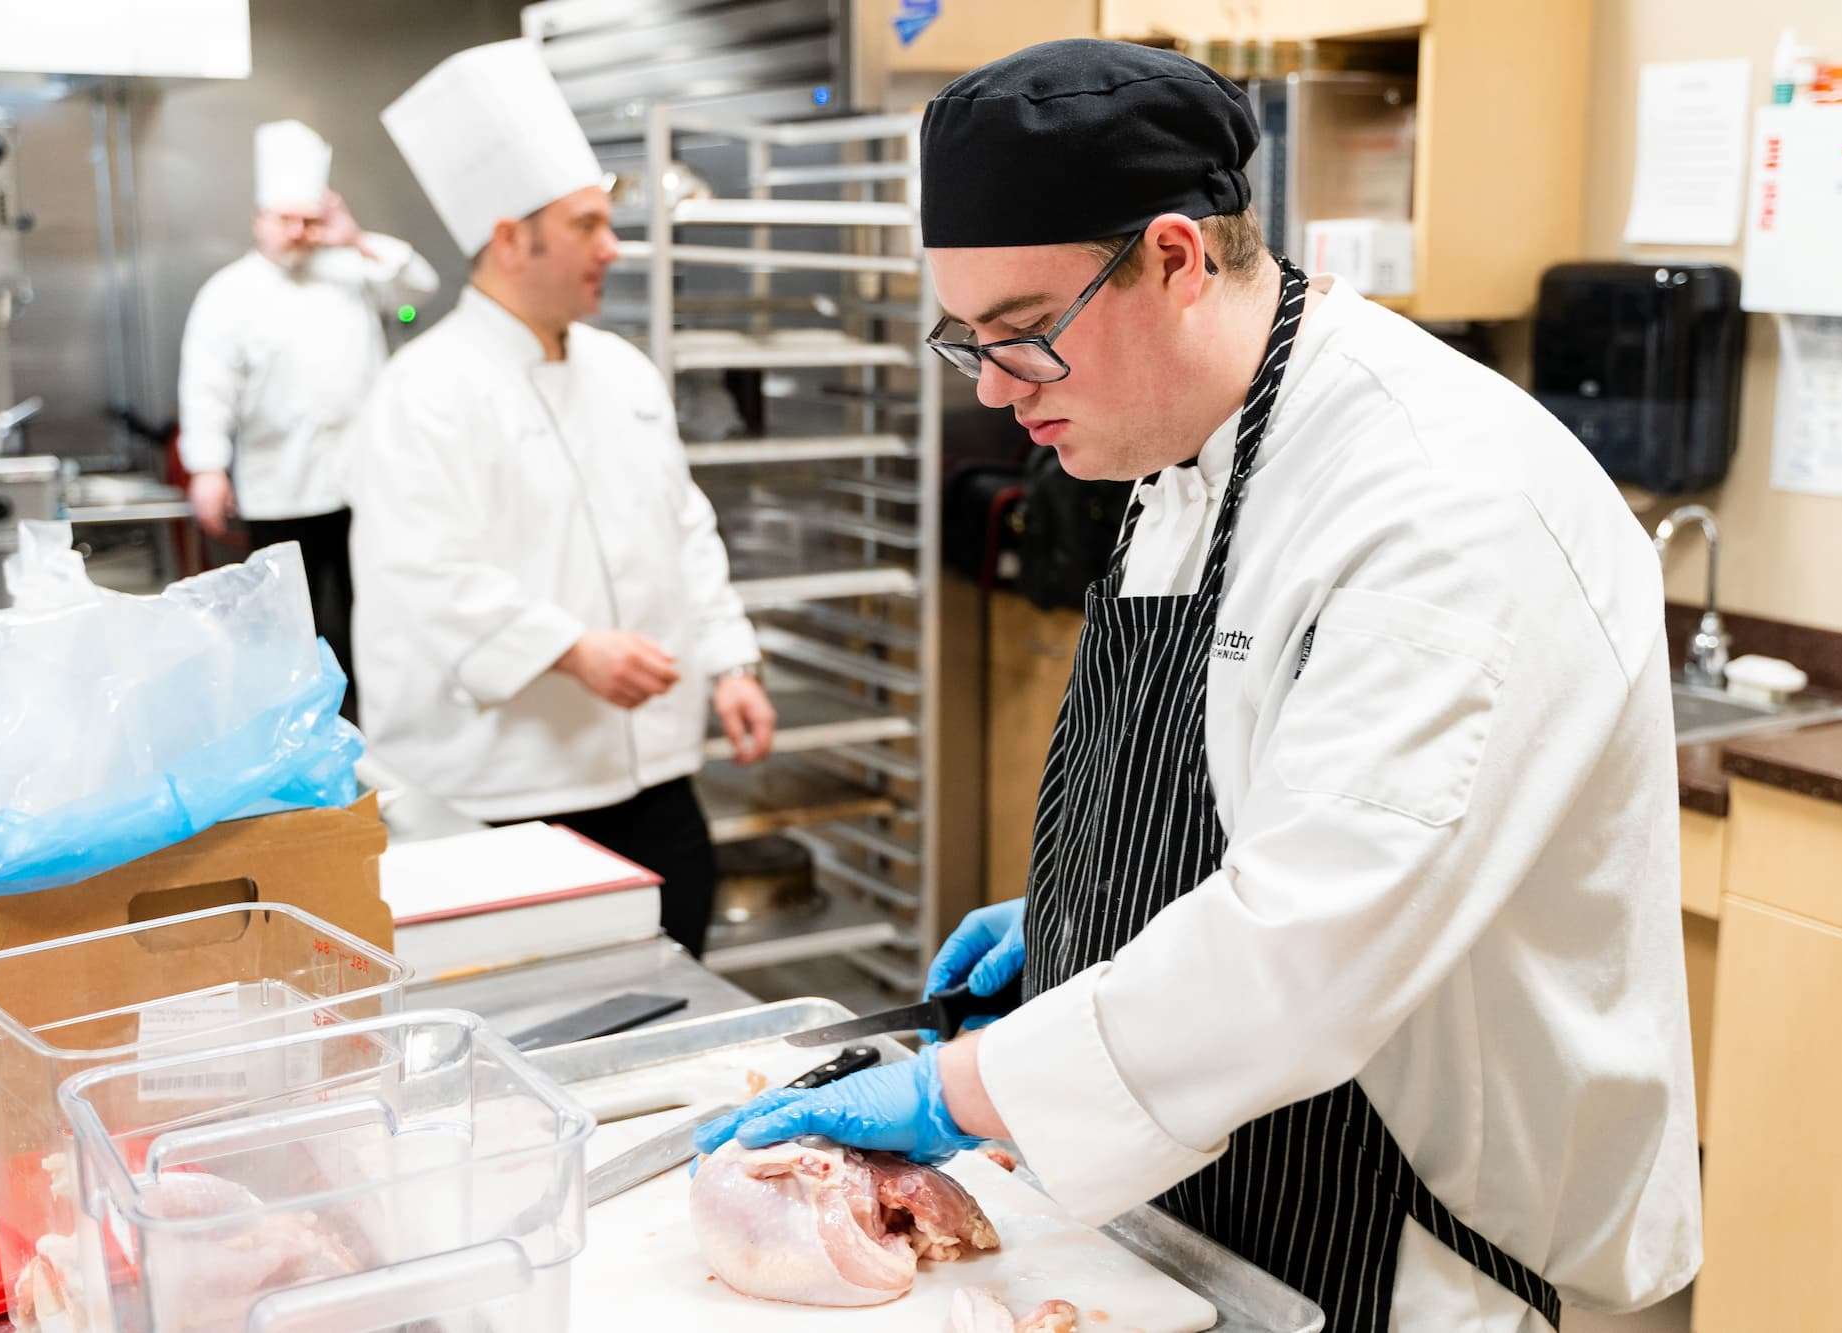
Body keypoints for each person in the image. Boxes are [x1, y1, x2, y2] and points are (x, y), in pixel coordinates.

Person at [697, 39, 1701, 1331]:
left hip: (1420, 1227)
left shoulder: (1441, 500)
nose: (1001, 391)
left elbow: (1314, 937)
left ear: (1174, 259)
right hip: (1215, 1177)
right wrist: (1085, 920)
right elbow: (1248, 776)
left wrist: (962, 1090)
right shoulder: (1186, 438)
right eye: (970, 342)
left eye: (1023, 336)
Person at [355, 40, 775, 958]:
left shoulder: (622, 370)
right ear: (511, 239)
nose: (611, 247)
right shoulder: (424, 389)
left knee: (676, 985)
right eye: (586, 224)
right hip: (507, 793)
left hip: (656, 774)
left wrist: (731, 661)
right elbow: (418, 573)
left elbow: (684, 526)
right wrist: (570, 649)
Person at [178, 120, 439, 715]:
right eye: (285, 219)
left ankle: (375, 733)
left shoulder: (352, 275)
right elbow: (206, 387)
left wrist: (355, 238)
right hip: (277, 485)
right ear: (259, 220)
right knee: (290, 626)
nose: (297, 233)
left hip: (361, 484)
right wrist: (208, 469)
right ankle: (304, 733)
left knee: (369, 616)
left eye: (309, 220)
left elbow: (419, 287)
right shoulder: (229, 293)